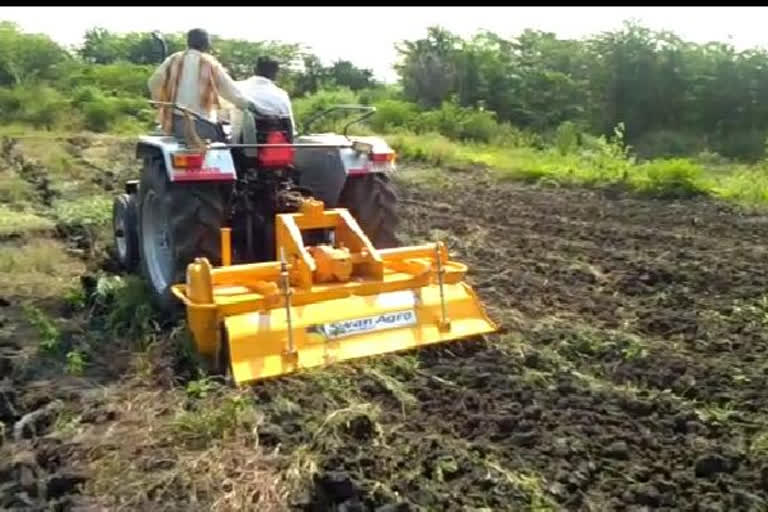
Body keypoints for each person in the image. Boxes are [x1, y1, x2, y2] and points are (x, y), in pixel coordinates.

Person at [147, 28, 258, 141]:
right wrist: (249, 105)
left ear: (188, 42)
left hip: (174, 122)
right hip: (201, 125)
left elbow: (154, 82)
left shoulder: (173, 59)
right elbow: (230, 91)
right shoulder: (210, 63)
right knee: (228, 144)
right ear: (206, 43)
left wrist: (161, 103)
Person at [230, 56, 296, 142]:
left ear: (254, 70)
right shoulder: (282, 95)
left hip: (238, 149)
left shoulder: (236, 88)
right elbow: (290, 127)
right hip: (276, 150)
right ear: (275, 74)